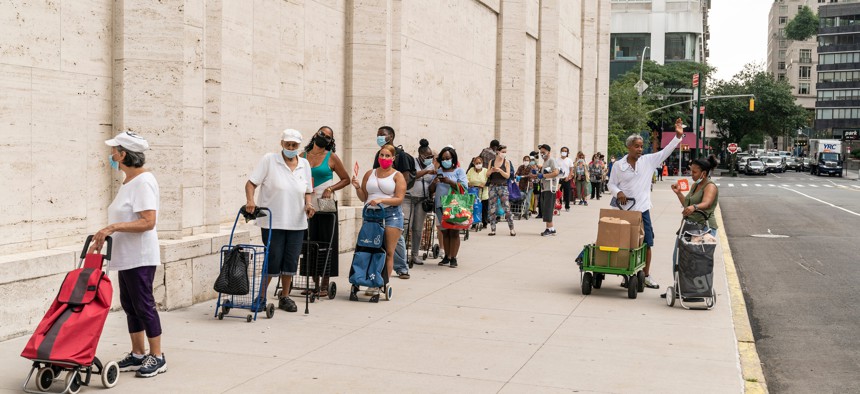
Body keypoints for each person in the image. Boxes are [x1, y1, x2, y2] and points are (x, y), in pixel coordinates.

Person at [90, 131, 166, 377]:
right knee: (130, 306)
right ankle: (137, 354)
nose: (111, 155)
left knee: (144, 305)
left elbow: (148, 221)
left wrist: (111, 228)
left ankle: (158, 357)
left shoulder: (143, 181)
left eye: (114, 151)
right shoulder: (130, 181)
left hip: (140, 257)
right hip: (127, 257)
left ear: (123, 155)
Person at [608, 118, 684, 290]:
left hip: (642, 210)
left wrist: (678, 137)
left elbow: (666, 152)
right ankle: (626, 274)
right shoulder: (618, 166)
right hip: (624, 211)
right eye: (637, 146)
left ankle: (646, 275)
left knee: (647, 243)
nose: (640, 149)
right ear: (629, 147)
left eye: (641, 146)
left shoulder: (648, 161)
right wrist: (618, 192)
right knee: (624, 244)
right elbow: (611, 184)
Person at [245, 129, 315, 313]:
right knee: (273, 258)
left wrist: (308, 205)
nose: (291, 148)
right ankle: (260, 297)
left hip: (297, 221)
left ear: (299, 145)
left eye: (294, 145)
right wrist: (251, 201)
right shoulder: (270, 160)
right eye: (288, 144)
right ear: (282, 143)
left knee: (291, 260)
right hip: (272, 221)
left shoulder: (304, 164)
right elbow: (251, 183)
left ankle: (285, 296)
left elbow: (307, 190)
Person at [301, 126, 350, 297]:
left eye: (328, 137)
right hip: (307, 205)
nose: (324, 138)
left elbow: (346, 179)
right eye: (322, 134)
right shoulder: (302, 156)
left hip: (325, 204)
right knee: (309, 241)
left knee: (326, 242)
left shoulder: (331, 157)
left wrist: (330, 187)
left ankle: (324, 283)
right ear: (315, 134)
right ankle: (312, 282)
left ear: (331, 142)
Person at [352, 144, 407, 281]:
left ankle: (383, 283)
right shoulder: (370, 173)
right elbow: (364, 197)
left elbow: (399, 199)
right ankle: (368, 279)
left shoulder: (397, 176)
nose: (384, 158)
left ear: (393, 158)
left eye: (387, 156)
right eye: (381, 155)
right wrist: (358, 188)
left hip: (390, 215)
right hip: (371, 216)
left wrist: (381, 200)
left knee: (388, 252)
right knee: (369, 249)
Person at [373, 126, 414, 279]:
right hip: (378, 204)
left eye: (382, 135)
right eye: (378, 135)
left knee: (397, 237)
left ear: (391, 136)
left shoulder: (400, 155)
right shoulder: (378, 154)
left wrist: (397, 193)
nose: (379, 137)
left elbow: (405, 176)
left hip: (394, 200)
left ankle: (402, 267)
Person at [430, 146, 468, 267]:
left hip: (454, 206)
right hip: (440, 205)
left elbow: (464, 187)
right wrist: (434, 182)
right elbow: (431, 189)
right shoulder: (439, 172)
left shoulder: (459, 171)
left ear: (453, 159)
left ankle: (453, 257)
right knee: (445, 232)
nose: (446, 160)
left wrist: (449, 182)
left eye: (448, 158)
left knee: (454, 232)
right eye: (443, 158)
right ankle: (447, 256)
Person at [403, 139, 436, 266]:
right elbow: (411, 175)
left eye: (431, 156)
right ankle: (402, 253)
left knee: (417, 228)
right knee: (406, 225)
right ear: (420, 155)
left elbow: (430, 182)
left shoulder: (431, 165)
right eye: (427, 156)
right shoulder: (413, 162)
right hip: (408, 197)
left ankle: (415, 255)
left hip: (422, 199)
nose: (429, 159)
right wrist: (426, 172)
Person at [486, 144, 515, 236]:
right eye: (503, 152)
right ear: (498, 152)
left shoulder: (507, 162)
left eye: (505, 152)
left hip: (503, 186)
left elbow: (507, 175)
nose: (504, 154)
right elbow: (487, 174)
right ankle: (493, 229)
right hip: (492, 186)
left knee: (506, 207)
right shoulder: (492, 161)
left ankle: (512, 228)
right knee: (492, 208)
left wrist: (500, 170)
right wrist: (492, 170)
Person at [531, 144, 560, 236]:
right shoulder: (545, 162)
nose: (542, 154)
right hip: (544, 188)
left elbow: (556, 172)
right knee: (545, 208)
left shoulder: (551, 160)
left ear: (549, 152)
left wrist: (543, 175)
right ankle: (551, 228)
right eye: (541, 153)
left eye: (543, 152)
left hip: (550, 188)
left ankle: (549, 228)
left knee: (548, 208)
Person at [466, 156, 489, 230]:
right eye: (477, 163)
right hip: (473, 191)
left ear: (482, 163)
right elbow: (466, 179)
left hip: (483, 192)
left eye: (480, 163)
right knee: (474, 207)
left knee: (484, 208)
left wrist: (484, 184)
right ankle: (474, 222)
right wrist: (469, 183)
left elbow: (488, 180)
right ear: (474, 163)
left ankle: (484, 222)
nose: (478, 164)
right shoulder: (471, 170)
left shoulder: (485, 171)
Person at [558, 147, 574, 211]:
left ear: (567, 152)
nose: (564, 152)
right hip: (559, 179)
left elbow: (571, 170)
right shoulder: (557, 160)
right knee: (559, 193)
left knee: (567, 193)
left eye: (565, 151)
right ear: (561, 152)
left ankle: (567, 206)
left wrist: (569, 177)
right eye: (563, 151)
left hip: (566, 179)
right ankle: (559, 205)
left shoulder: (569, 160)